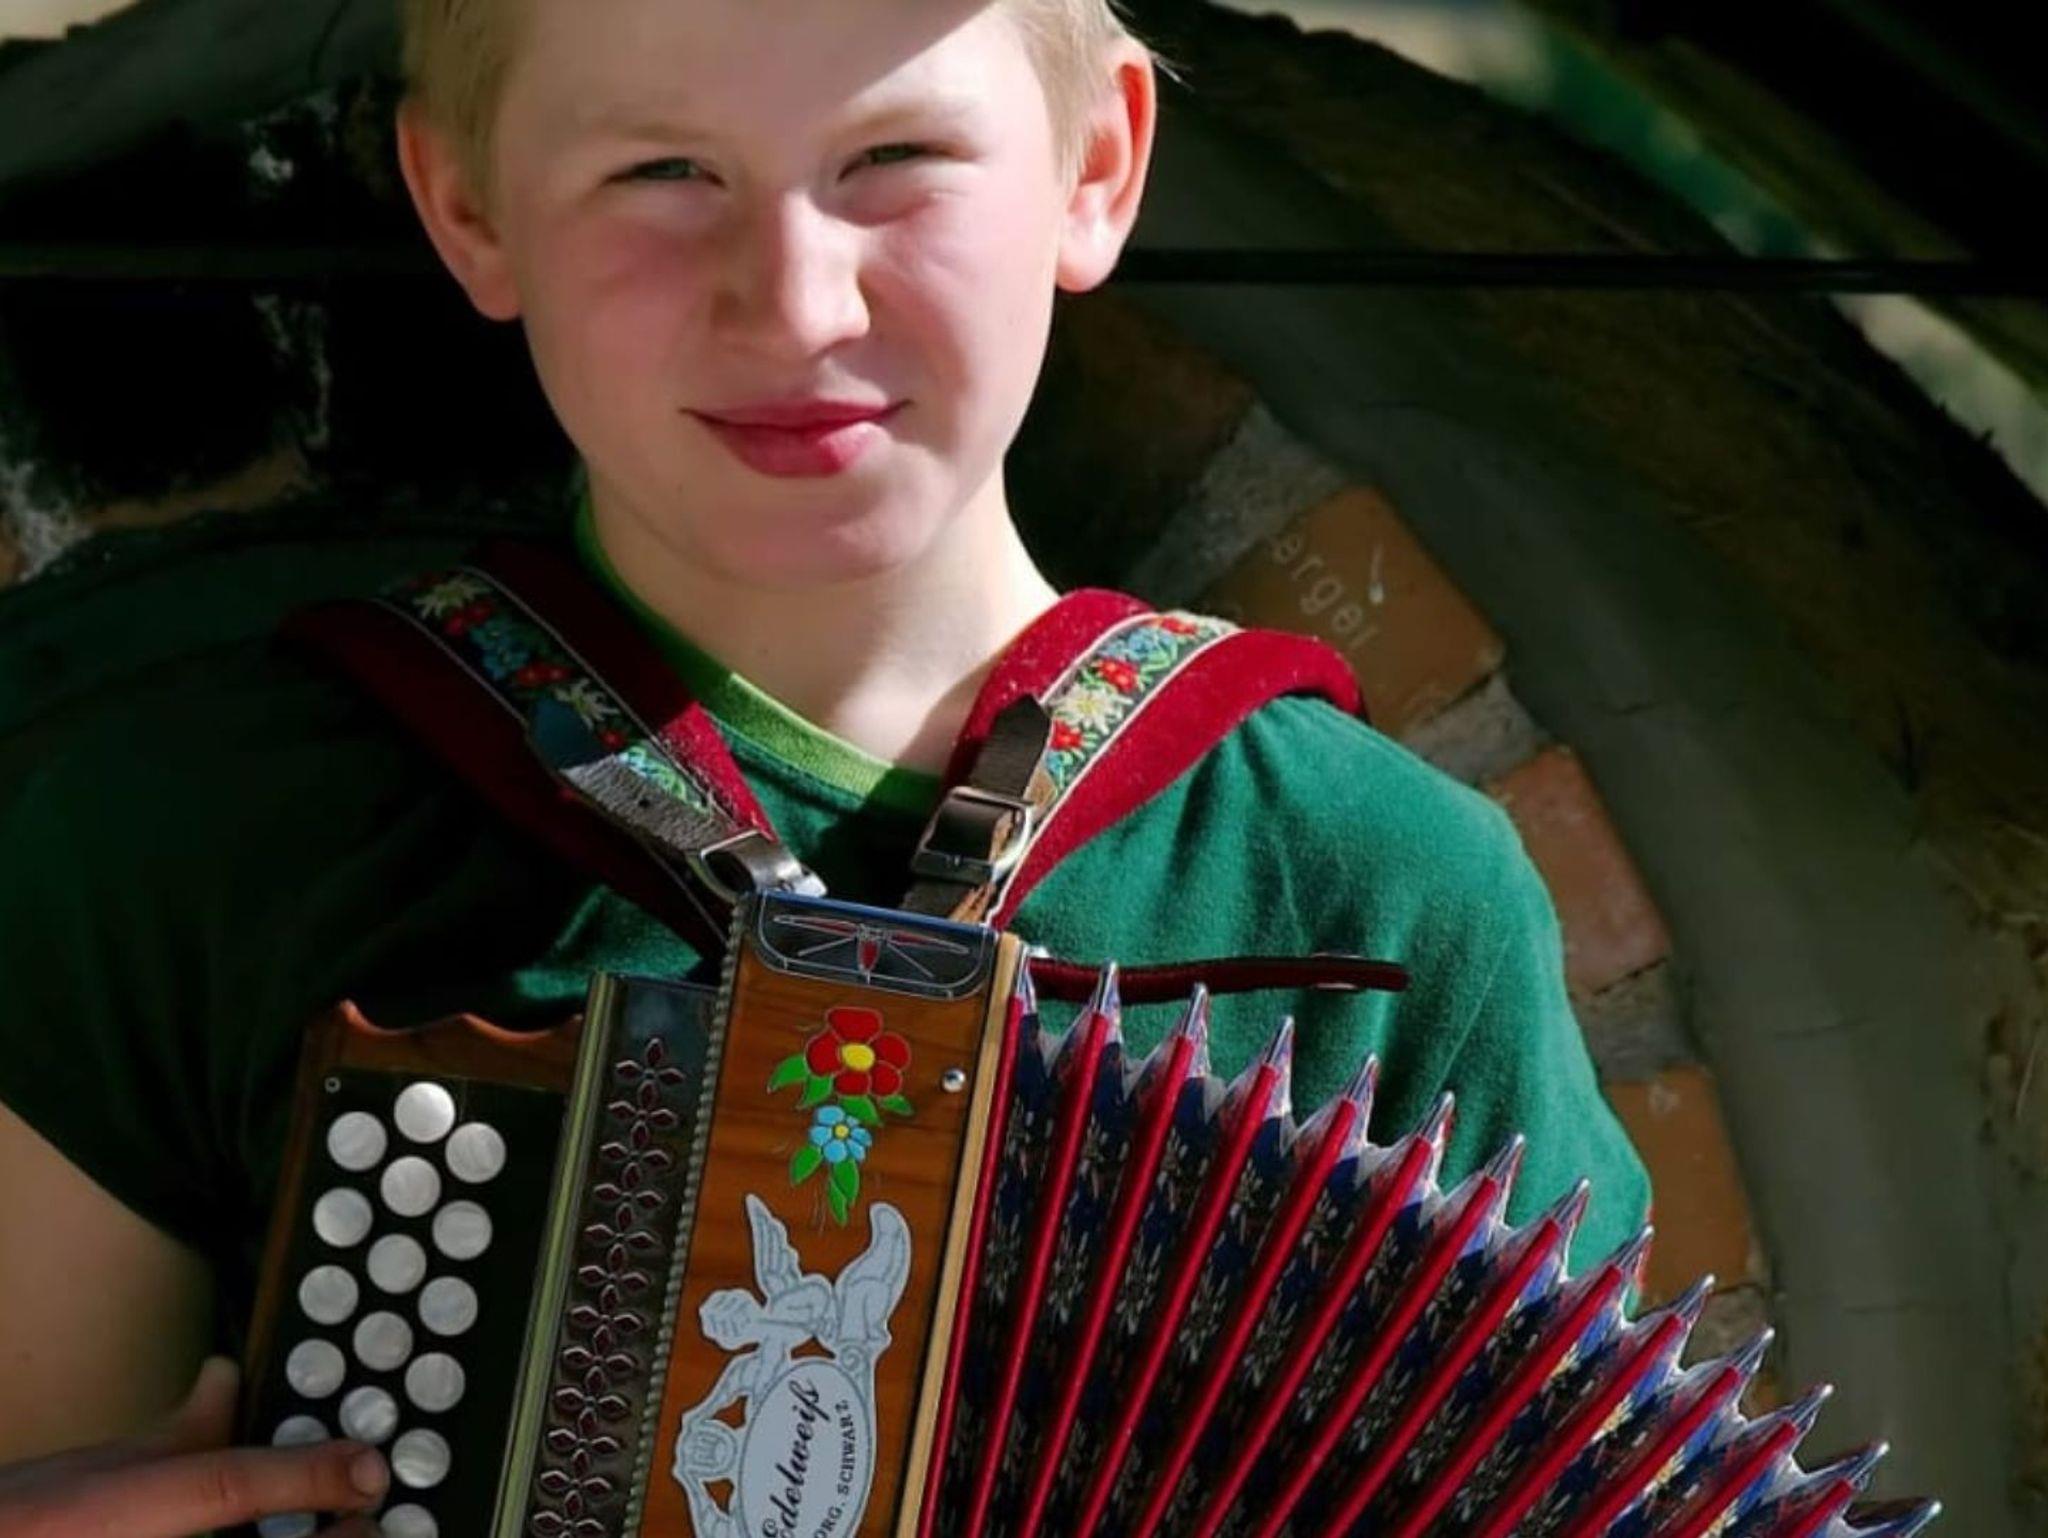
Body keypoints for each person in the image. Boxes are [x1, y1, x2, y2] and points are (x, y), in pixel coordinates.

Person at [0, 0, 1652, 1531]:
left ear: (1096, 166)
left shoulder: (1380, 901)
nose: (794, 301)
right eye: (663, 171)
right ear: (470, 208)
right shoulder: (184, 838)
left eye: (894, 157)